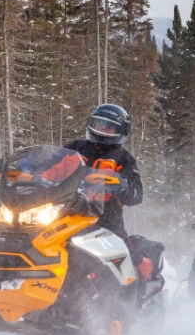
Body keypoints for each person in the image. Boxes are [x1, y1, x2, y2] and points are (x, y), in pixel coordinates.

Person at [64, 103, 162, 281]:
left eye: (110, 127)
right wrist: (25, 170)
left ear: (121, 131)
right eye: (99, 123)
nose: (103, 129)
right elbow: (51, 168)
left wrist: (120, 185)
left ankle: (125, 293)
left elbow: (136, 194)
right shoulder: (75, 148)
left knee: (119, 252)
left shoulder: (123, 157)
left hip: (105, 214)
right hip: (67, 208)